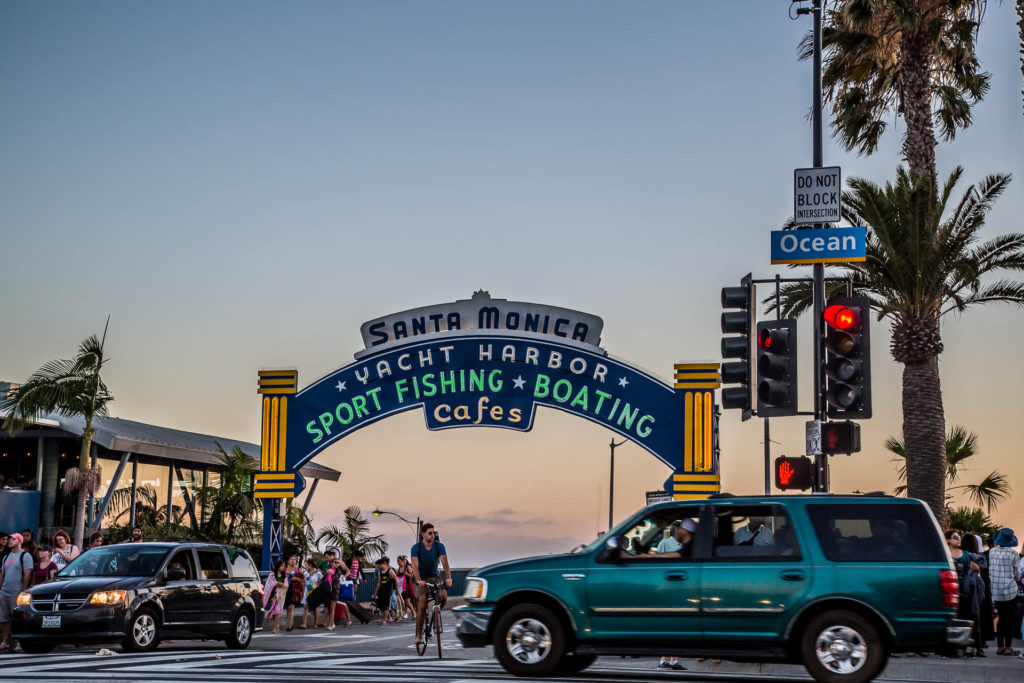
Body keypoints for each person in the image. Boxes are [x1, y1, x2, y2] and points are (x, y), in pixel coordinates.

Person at [655, 520, 695, 671]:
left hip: (678, 587)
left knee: (676, 624)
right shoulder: (666, 544)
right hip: (672, 586)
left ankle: (671, 660)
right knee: (673, 624)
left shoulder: (685, 545)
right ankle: (666, 659)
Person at [946, 529, 987, 657]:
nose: (958, 539)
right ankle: (952, 648)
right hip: (951, 591)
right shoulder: (945, 554)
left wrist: (977, 569)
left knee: (973, 619)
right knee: (952, 620)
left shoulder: (966, 554)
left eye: (959, 537)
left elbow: (978, 567)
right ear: (947, 540)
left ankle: (977, 648)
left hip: (967, 592)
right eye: (955, 537)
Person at [411, 522, 452, 646]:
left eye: (433, 532)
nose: (432, 535)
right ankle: (418, 636)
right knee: (422, 604)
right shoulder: (416, 547)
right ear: (422, 534)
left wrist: (448, 578)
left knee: (443, 597)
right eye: (430, 533)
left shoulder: (439, 546)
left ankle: (436, 615)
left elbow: (445, 563)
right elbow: (414, 565)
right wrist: (419, 580)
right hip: (421, 578)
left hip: (434, 577)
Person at [987, 528, 1022, 656]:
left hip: (996, 591)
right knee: (1009, 619)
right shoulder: (1014, 554)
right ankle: (1008, 647)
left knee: (1001, 618)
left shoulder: (992, 552)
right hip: (1010, 591)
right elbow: (1017, 575)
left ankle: (999, 646)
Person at [0, 533, 33, 651]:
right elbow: (2, 574)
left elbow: (27, 574)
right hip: (4, 592)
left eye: (13, 539)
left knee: (17, 619)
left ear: (19, 541)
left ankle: (19, 643)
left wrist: (22, 591)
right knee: (4, 619)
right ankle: (5, 642)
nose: (10, 541)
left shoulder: (25, 555)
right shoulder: (6, 557)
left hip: (16, 592)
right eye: (10, 539)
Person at [372, 557, 399, 625]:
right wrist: (375, 592)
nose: (378, 568)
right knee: (381, 605)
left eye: (379, 566)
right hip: (381, 590)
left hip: (388, 590)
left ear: (383, 564)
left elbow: (396, 580)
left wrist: (397, 590)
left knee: (386, 605)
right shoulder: (380, 572)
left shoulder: (390, 570)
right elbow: (379, 582)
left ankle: (384, 619)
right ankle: (383, 618)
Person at [263, 560, 287, 633]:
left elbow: (286, 585)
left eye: (284, 566)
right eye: (281, 566)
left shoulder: (284, 576)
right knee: (274, 612)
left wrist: (282, 584)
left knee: (277, 611)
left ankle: (275, 628)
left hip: (280, 596)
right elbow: (269, 584)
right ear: (278, 566)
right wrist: (276, 584)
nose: (283, 567)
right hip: (273, 595)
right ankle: (277, 625)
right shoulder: (272, 575)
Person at [283, 554, 305, 632]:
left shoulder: (298, 570)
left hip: (294, 590)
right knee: (288, 608)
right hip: (285, 590)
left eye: (295, 559)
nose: (293, 561)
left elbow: (303, 580)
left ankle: (289, 625)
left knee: (292, 606)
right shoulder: (285, 570)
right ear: (288, 561)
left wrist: (295, 578)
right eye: (291, 559)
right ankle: (290, 623)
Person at [302, 559, 322, 629]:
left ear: (310, 565)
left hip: (314, 590)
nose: (306, 567)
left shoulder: (318, 573)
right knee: (305, 606)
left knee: (315, 607)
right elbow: (304, 580)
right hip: (307, 590)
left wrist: (318, 583)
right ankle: (304, 624)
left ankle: (315, 624)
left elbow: (321, 580)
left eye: (306, 565)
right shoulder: (305, 573)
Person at [396, 555, 415, 620]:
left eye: (399, 561)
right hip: (400, 586)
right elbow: (396, 576)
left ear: (403, 561)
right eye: (397, 561)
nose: (398, 563)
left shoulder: (408, 567)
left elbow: (412, 576)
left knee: (407, 602)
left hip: (406, 586)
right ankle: (399, 616)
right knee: (401, 601)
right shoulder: (399, 568)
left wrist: (405, 573)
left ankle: (413, 613)